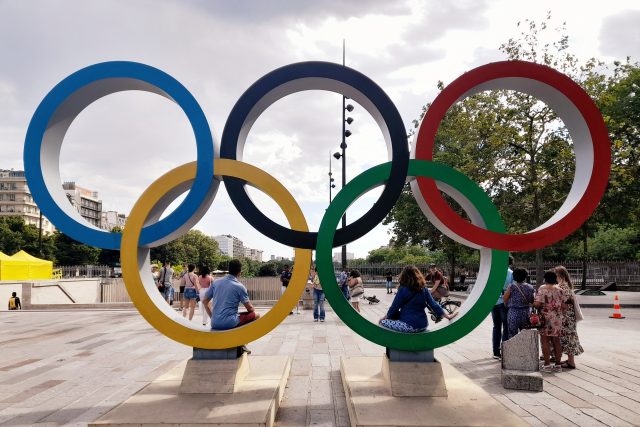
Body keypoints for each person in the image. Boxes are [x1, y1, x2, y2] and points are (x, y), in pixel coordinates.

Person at [379, 265, 457, 332]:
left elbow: (394, 307)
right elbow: (433, 304)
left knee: (382, 322)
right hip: (423, 325)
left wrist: (383, 318)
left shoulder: (403, 289)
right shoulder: (424, 289)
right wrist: (448, 316)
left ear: (404, 276)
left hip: (409, 326)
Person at [203, 259, 260, 331]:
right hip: (230, 323)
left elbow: (205, 301)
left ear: (229, 270)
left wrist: (213, 317)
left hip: (214, 323)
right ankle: (243, 340)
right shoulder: (240, 287)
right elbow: (250, 308)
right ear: (240, 272)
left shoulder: (216, 282)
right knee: (256, 314)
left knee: (239, 316)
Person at [535, 270, 565, 373]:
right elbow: (563, 305)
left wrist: (533, 303)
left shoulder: (543, 288)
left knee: (545, 341)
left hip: (545, 318)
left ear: (545, 278)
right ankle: (558, 365)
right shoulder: (560, 290)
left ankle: (547, 365)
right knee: (557, 341)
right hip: (557, 318)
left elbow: (538, 304)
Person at [555, 265, 584, 370]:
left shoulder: (562, 286)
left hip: (565, 317)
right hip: (570, 316)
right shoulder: (567, 285)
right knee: (569, 337)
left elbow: (563, 303)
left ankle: (571, 362)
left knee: (568, 338)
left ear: (559, 275)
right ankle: (570, 360)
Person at [491, 256, 513, 359]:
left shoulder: (494, 272)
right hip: (505, 302)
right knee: (506, 327)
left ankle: (496, 351)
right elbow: (512, 288)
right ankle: (504, 352)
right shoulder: (511, 273)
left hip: (494, 301)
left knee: (496, 327)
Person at [503, 267, 534, 339]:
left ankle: (513, 350)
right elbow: (532, 300)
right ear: (525, 276)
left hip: (513, 312)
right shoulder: (530, 287)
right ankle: (525, 349)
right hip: (526, 313)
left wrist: (507, 304)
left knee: (512, 335)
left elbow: (505, 298)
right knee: (526, 334)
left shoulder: (511, 287)